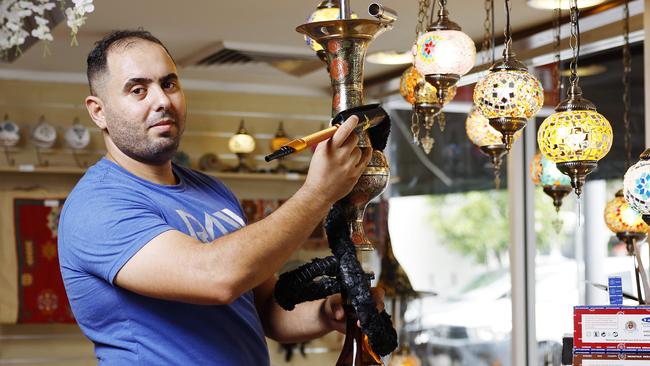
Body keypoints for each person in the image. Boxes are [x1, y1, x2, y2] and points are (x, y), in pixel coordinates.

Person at [58, 29, 380, 365]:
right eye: (138, 90)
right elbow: (217, 278)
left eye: (169, 84)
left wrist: (327, 313)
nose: (162, 101)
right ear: (99, 112)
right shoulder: (97, 205)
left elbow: (265, 309)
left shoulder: (213, 191)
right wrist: (319, 192)